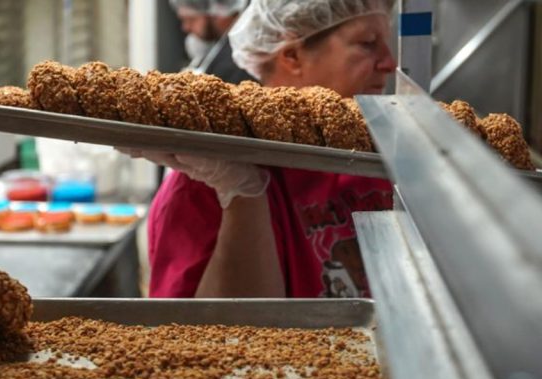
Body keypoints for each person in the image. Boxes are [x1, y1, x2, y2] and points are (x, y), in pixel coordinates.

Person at [140, 0, 398, 298]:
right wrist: (242, 198)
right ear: (292, 56)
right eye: (367, 43)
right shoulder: (207, 177)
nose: (390, 63)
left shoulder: (368, 157)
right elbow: (201, 333)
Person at [171, 0, 255, 84]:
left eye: (191, 19)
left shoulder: (238, 59)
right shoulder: (221, 45)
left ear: (219, 11)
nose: (185, 27)